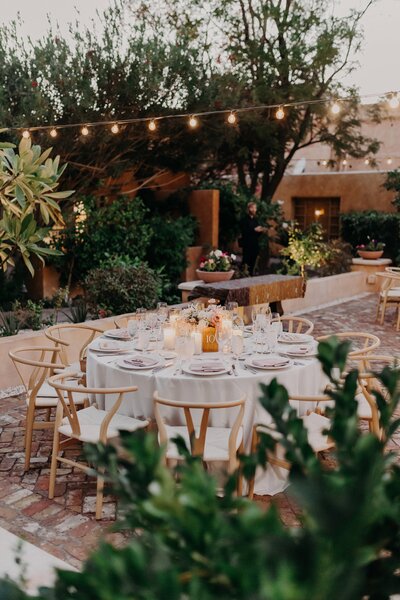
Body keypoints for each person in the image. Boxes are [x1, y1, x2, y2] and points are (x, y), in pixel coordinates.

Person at [240, 202, 268, 275]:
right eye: (252, 208)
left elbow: (257, 232)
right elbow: (244, 231)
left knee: (253, 260)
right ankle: (243, 274)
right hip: (247, 243)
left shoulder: (255, 220)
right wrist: (254, 230)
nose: (254, 209)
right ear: (249, 208)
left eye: (255, 208)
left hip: (254, 243)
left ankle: (251, 274)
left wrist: (261, 230)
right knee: (246, 260)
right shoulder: (244, 219)